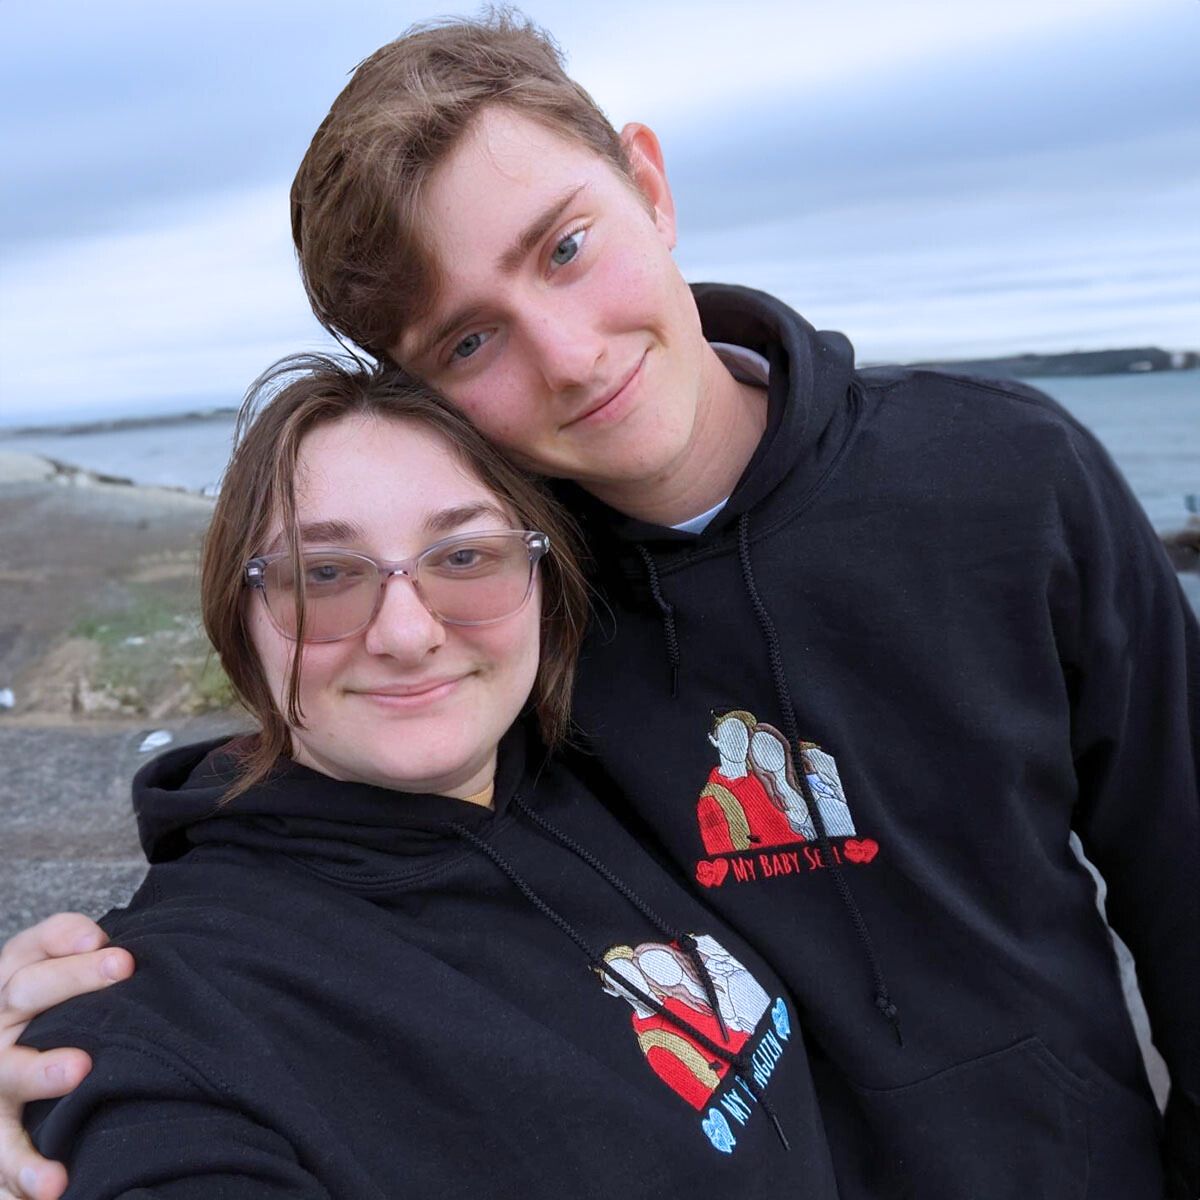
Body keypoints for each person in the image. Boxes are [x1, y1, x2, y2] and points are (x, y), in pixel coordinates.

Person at [3, 12, 1197, 1199]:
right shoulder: (508, 603)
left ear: (650, 184)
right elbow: (334, 806)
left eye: (565, 248)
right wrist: (92, 1026)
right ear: (426, 396)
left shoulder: (1006, 475)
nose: (569, 355)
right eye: (472, 339)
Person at [9, 355, 833, 1197]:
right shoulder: (175, 1010)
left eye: (466, 556)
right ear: (242, 619)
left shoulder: (613, 779)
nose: (406, 633)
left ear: (542, 581)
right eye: (324, 574)